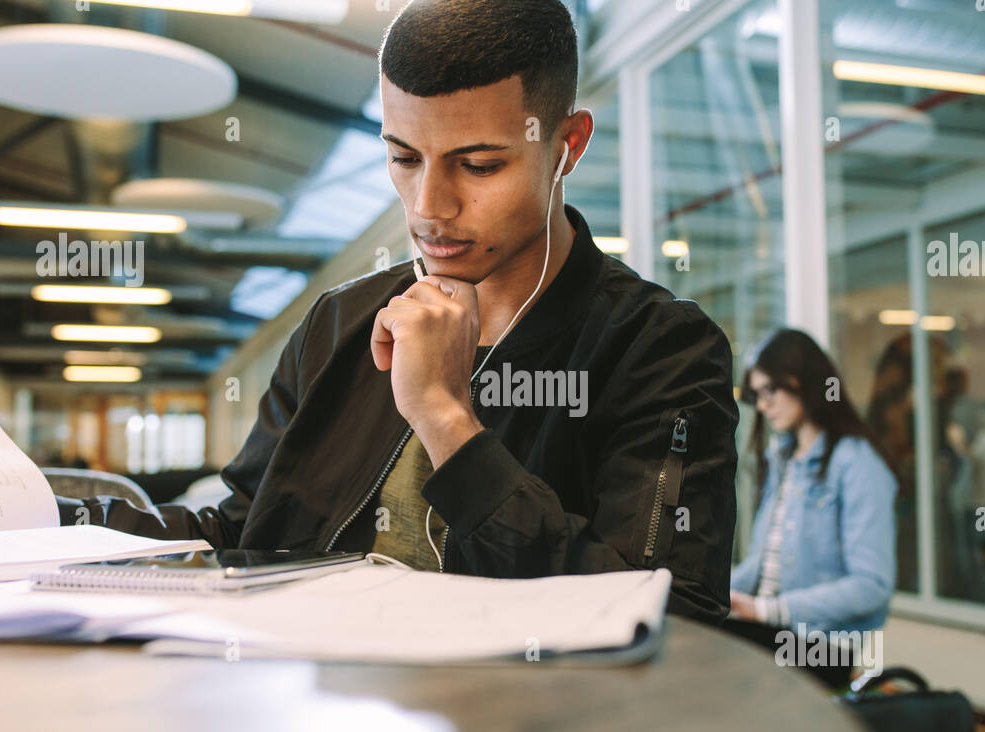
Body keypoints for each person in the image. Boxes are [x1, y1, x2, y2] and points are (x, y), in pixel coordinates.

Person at [54, 0, 739, 623]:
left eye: (478, 165)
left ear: (567, 147)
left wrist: (446, 420)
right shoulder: (339, 324)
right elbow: (242, 530)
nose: (427, 206)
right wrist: (52, 520)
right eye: (404, 157)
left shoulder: (660, 349)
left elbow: (673, 613)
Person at [730, 328, 897, 633]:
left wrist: (766, 610)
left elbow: (871, 586)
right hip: (768, 627)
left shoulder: (856, 462)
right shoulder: (784, 458)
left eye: (769, 391)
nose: (763, 406)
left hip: (816, 643)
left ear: (800, 381)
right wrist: (710, 594)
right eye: (758, 395)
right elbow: (764, 562)